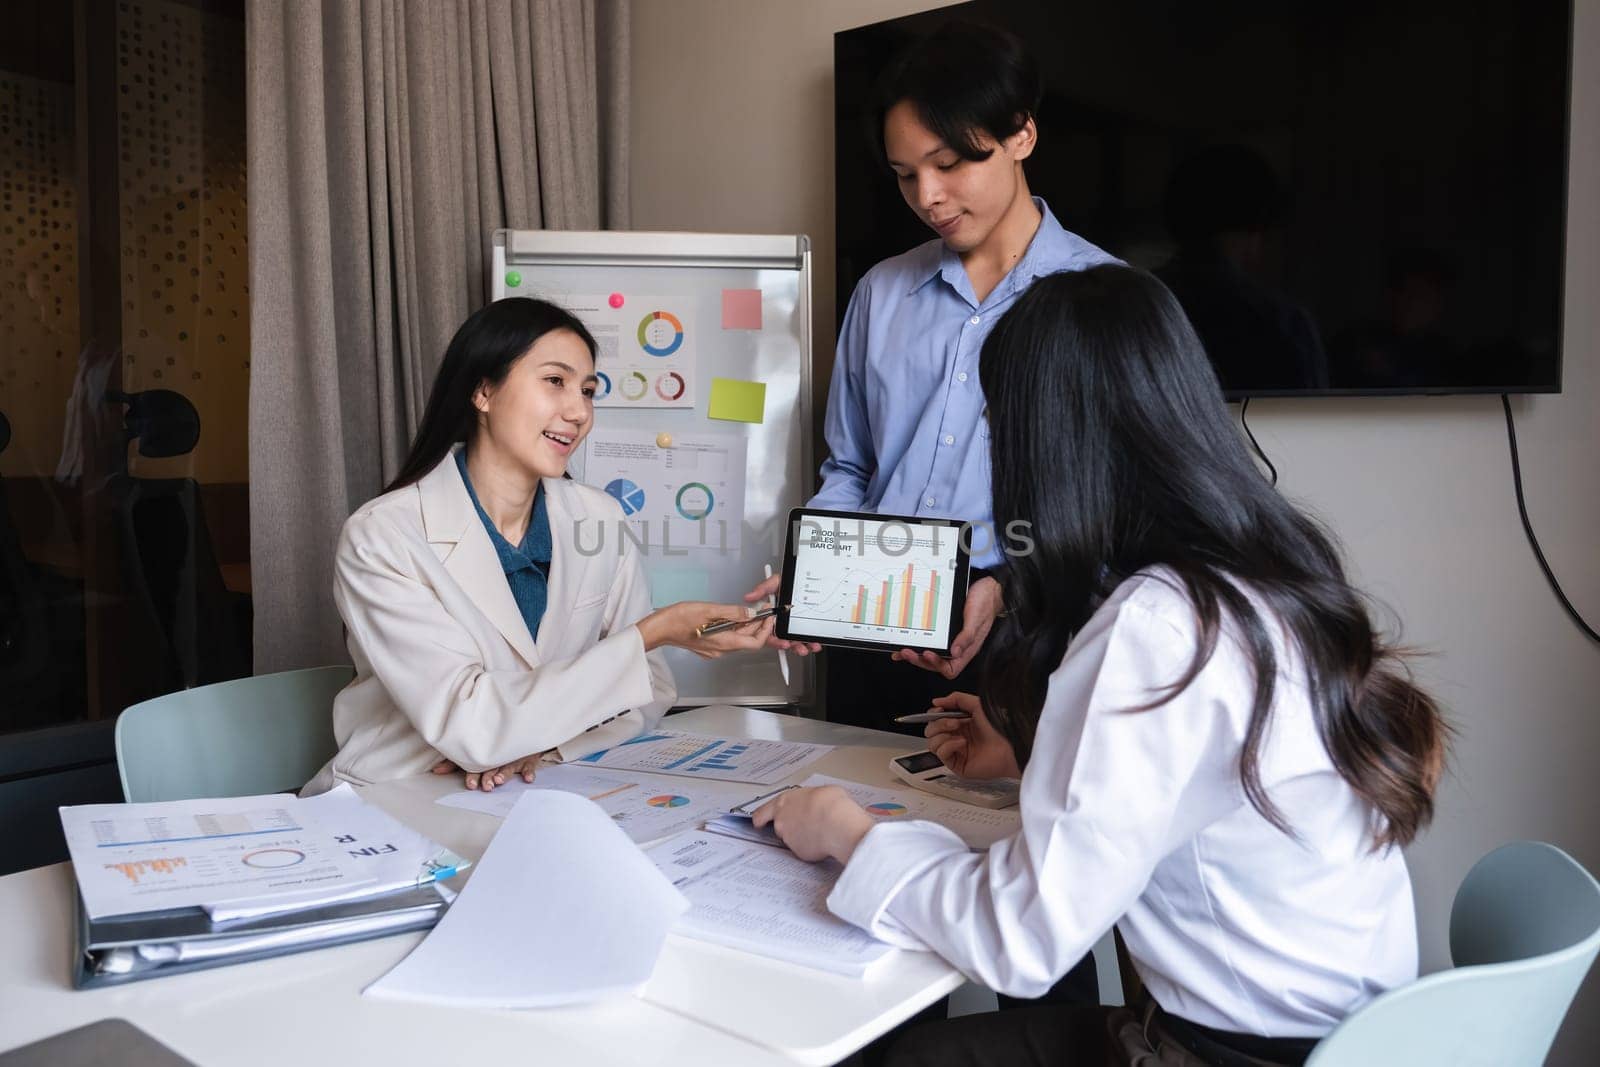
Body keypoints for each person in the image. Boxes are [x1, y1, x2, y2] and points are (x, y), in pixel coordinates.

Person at [754, 265, 1448, 1067]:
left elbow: (1022, 939)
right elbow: (1200, 775)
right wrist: (1033, 754)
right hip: (1354, 1031)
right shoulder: (1256, 574)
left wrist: (843, 829)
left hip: (1235, 1050)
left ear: (1048, 443)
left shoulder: (1158, 623)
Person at [749, 20, 1117, 735]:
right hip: (873, 633)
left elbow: (1117, 504)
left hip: (1031, 640)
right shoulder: (882, 293)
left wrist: (1005, 589)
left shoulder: (1105, 299)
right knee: (848, 828)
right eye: (905, 175)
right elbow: (851, 465)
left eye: (950, 163)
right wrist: (815, 580)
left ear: (1021, 136)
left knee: (998, 839)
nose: (929, 196)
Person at [304, 298, 770, 795]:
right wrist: (652, 632)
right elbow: (473, 725)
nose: (579, 412)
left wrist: (547, 747)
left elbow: (649, 690)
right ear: (483, 390)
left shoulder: (598, 517)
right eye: (555, 381)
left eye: (588, 390)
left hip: (532, 785)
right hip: (396, 793)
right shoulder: (382, 536)